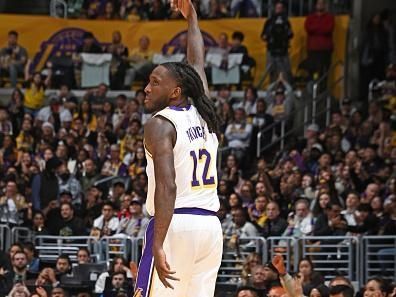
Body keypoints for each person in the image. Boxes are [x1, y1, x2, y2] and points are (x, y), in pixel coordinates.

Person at [134, 1, 223, 296]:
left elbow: (167, 185)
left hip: (175, 224)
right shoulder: (202, 109)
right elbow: (197, 63)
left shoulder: (160, 123)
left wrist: (157, 242)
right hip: (210, 229)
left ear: (175, 92)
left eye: (155, 83)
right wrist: (192, 18)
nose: (147, 89)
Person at [261, 1, 293, 82]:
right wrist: (268, 36)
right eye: (277, 8)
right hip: (271, 49)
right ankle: (273, 87)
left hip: (283, 50)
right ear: (274, 9)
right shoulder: (269, 22)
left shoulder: (286, 22)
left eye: (280, 8)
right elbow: (263, 35)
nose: (279, 10)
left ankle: (285, 87)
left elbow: (291, 34)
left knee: (285, 70)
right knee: (271, 70)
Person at [304, 0, 335, 79]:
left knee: (324, 73)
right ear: (315, 5)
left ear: (325, 5)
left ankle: (322, 90)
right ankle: (314, 90)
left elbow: (328, 29)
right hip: (313, 50)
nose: (320, 5)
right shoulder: (310, 17)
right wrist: (321, 27)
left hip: (325, 50)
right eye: (319, 3)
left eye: (322, 3)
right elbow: (308, 28)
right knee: (312, 72)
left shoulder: (330, 17)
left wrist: (315, 29)